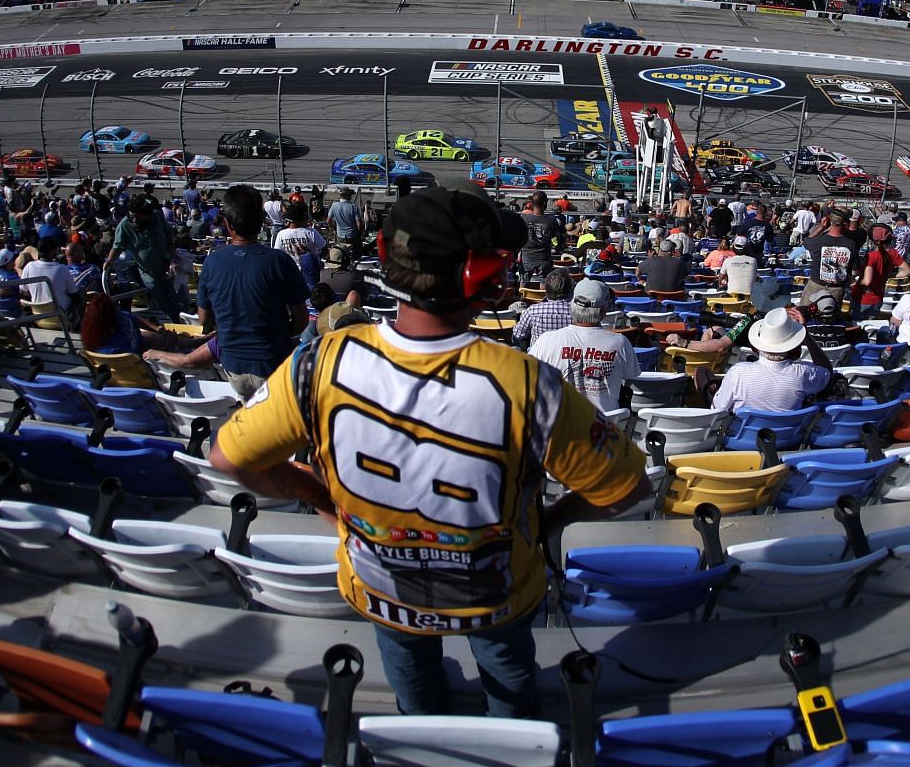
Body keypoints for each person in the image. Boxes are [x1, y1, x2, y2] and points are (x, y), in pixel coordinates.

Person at [208, 182, 649, 718]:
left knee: (411, 680)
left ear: (383, 255)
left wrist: (324, 503)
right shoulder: (531, 384)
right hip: (497, 593)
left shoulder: (319, 362)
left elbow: (229, 458)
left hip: (380, 588)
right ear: (482, 276)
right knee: (509, 679)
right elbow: (629, 487)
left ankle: (426, 749)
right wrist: (549, 524)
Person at [197, 185, 312, 399]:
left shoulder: (212, 261)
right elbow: (301, 319)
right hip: (273, 364)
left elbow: (204, 319)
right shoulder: (279, 261)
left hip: (233, 368)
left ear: (227, 224)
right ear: (262, 223)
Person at [530, 278, 641, 412]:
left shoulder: (547, 340)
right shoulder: (620, 343)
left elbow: (528, 380)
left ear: (572, 305)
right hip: (605, 428)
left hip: (561, 427)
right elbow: (631, 377)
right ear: (603, 311)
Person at [713, 307, 834, 412]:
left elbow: (719, 408)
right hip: (788, 437)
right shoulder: (803, 373)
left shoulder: (738, 373)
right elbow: (827, 371)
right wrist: (806, 336)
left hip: (741, 436)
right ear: (793, 345)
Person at [109, 191, 182, 317]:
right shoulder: (124, 226)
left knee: (179, 297)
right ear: (136, 216)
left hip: (169, 265)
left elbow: (169, 233)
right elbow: (117, 246)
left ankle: (183, 317)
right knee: (165, 301)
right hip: (150, 273)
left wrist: (170, 254)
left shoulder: (157, 216)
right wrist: (109, 261)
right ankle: (176, 322)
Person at [510, 268, 576, 349]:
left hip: (538, 356)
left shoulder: (533, 311)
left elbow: (518, 334)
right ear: (570, 290)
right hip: (566, 355)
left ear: (546, 289)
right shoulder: (577, 312)